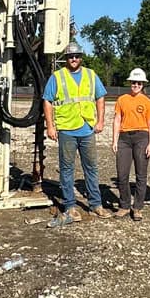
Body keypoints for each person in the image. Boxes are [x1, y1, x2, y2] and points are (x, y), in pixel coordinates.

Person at [43, 41, 107, 227]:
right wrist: (50, 126)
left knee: (91, 168)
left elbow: (100, 97)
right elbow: (47, 101)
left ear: (81, 57)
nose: (74, 59)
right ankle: (70, 205)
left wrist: (100, 120)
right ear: (66, 58)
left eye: (77, 56)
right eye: (71, 56)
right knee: (67, 170)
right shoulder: (57, 77)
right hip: (67, 129)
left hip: (87, 128)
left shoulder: (91, 75)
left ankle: (96, 204)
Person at [110, 67, 150, 222]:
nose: (136, 85)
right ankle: (124, 205)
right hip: (124, 138)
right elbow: (117, 120)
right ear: (130, 83)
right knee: (122, 174)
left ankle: (137, 208)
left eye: (139, 83)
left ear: (143, 84)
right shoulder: (122, 99)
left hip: (142, 137)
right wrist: (114, 140)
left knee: (140, 175)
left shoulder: (148, 102)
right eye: (133, 82)